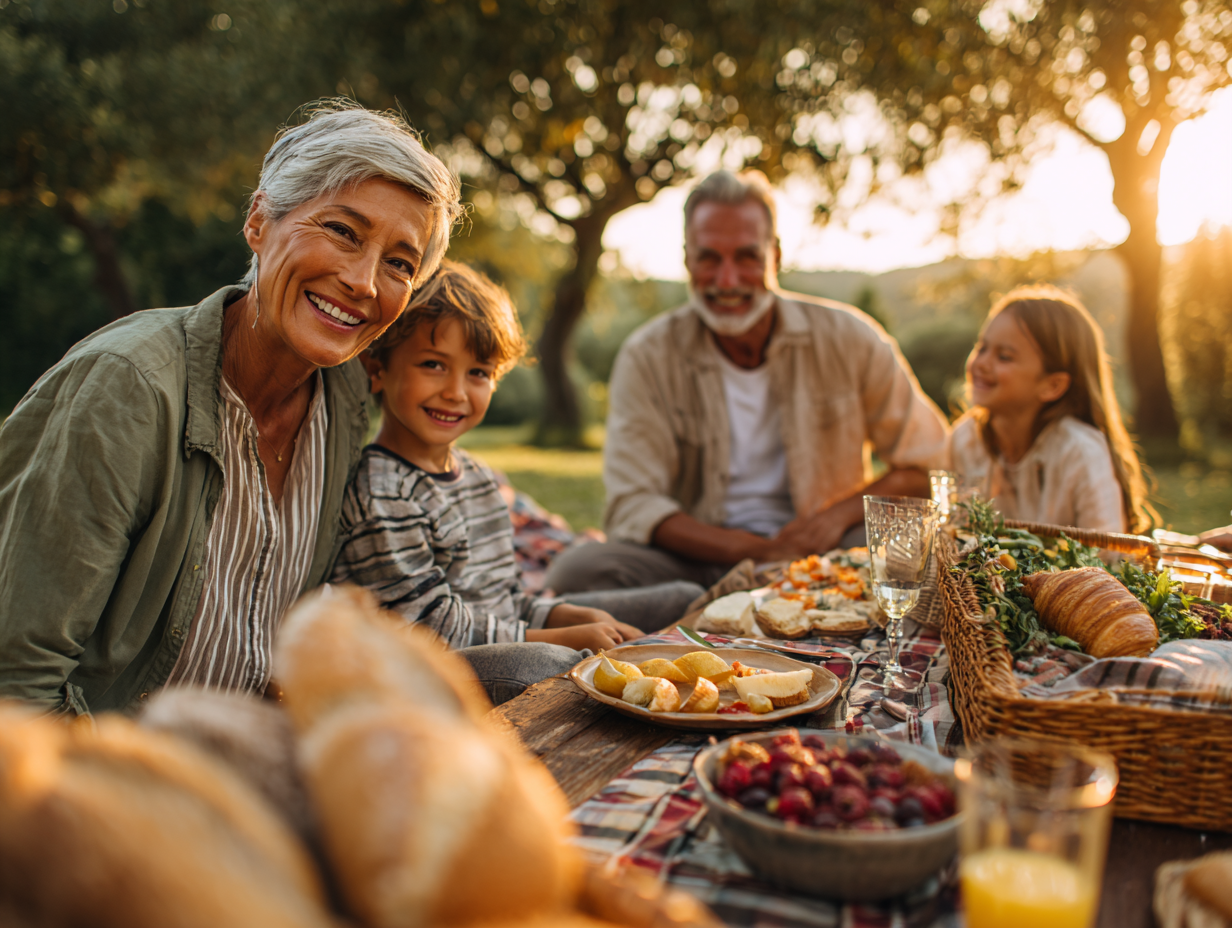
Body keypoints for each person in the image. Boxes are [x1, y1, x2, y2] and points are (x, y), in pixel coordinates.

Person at [0, 101, 463, 716]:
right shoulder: (127, 390)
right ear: (259, 221)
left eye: (399, 263)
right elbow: (17, 686)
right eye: (342, 231)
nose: (364, 282)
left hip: (245, 739)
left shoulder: (345, 399)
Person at [545, 170, 949, 594]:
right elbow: (634, 502)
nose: (727, 280)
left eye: (746, 257)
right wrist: (756, 550)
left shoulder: (850, 338)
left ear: (776, 255)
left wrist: (833, 518)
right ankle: (712, 601)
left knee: (922, 552)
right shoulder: (646, 356)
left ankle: (695, 609)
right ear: (687, 259)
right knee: (579, 571)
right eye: (709, 258)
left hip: (826, 553)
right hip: (701, 559)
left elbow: (926, 465)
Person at [330, 261, 705, 703]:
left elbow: (507, 599)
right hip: (422, 672)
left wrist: (565, 613)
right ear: (377, 370)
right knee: (546, 662)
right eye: (433, 365)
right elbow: (431, 627)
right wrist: (561, 636)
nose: (455, 392)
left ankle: (680, 681)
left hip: (496, 637)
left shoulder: (479, 479)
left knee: (684, 597)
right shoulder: (382, 492)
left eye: (478, 373)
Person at [948, 285, 1152, 533]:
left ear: (1052, 385)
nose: (981, 363)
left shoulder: (1079, 451)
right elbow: (953, 535)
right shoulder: (964, 439)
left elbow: (1107, 550)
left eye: (1004, 356)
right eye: (982, 348)